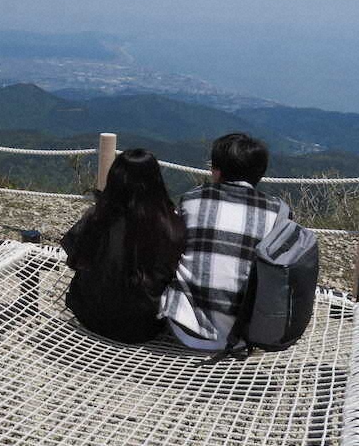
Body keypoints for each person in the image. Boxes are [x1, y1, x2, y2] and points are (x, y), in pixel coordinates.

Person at [160, 132, 285, 351]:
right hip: (246, 333)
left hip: (184, 328)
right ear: (259, 174)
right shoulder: (278, 211)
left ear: (216, 172)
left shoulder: (191, 199)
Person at [60, 148, 185, 343]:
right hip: (142, 327)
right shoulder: (171, 227)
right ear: (156, 181)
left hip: (90, 315)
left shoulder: (97, 217)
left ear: (114, 180)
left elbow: (74, 257)